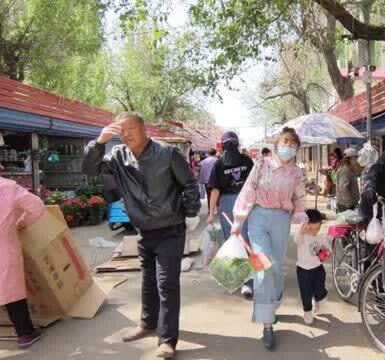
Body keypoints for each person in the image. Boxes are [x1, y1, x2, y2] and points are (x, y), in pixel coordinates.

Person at [82, 112, 200, 359]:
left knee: (166, 284)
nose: (125, 134)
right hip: (143, 229)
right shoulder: (117, 155)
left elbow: (188, 183)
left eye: (130, 129)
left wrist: (190, 213)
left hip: (170, 228)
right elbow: (91, 170)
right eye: (120, 130)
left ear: (143, 129)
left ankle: (168, 340)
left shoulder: (166, 153)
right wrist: (99, 142)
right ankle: (148, 323)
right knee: (147, 281)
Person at [232, 127, 308, 349]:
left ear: (296, 149)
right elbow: (248, 190)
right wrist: (238, 221)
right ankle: (266, 323)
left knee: (275, 267)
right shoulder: (262, 164)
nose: (288, 147)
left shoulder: (297, 173)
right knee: (262, 266)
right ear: (277, 144)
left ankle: (272, 305)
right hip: (258, 218)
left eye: (293, 144)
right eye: (285, 142)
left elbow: (300, 198)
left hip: (281, 221)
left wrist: (300, 214)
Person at [0, 149, 46, 348]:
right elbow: (37, 207)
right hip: (0, 247)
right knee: (11, 290)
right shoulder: (7, 186)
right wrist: (21, 223)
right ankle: (25, 333)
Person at [207, 132, 255, 298]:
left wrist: (211, 212)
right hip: (245, 203)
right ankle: (248, 283)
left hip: (227, 205)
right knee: (246, 240)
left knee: (233, 241)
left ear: (222, 145)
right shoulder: (247, 160)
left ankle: (239, 279)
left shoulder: (219, 163)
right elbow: (256, 184)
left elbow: (215, 189)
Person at [294, 209, 329, 325]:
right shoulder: (302, 236)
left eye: (317, 228)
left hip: (318, 269)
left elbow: (328, 250)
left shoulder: (321, 237)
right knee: (306, 293)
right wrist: (301, 232)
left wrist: (326, 253)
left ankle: (318, 299)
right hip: (303, 270)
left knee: (319, 290)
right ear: (305, 226)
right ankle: (307, 311)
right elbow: (296, 240)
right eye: (311, 229)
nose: (314, 232)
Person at [335, 148, 360, 213]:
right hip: (345, 205)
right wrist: (349, 203)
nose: (357, 159)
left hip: (345, 203)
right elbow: (343, 188)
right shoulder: (345, 169)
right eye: (356, 157)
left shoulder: (347, 168)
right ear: (351, 158)